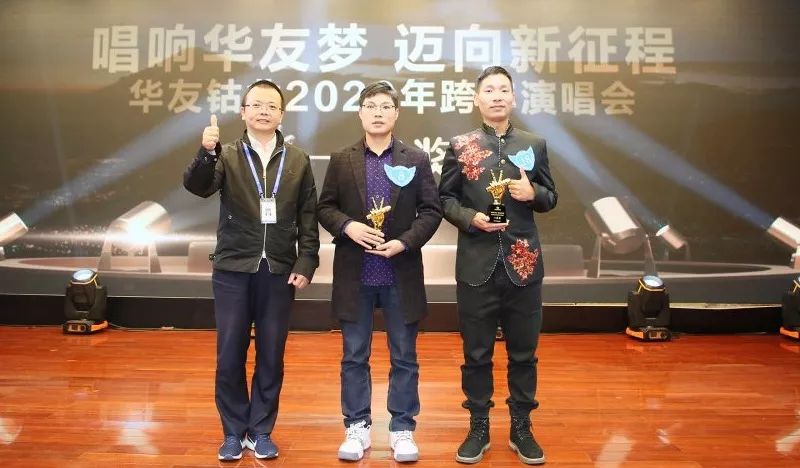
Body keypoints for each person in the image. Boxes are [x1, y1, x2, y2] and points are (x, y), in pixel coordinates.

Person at [183, 79, 320, 461]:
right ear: (243, 112)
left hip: (278, 270)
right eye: (256, 104)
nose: (264, 111)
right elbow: (198, 187)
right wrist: (205, 152)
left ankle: (260, 430)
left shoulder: (297, 160)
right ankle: (232, 431)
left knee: (271, 353)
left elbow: (308, 215)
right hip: (233, 268)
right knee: (230, 353)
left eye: (272, 106)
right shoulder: (226, 154)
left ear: (281, 114)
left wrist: (307, 260)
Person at [317, 81, 442, 463]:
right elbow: (325, 208)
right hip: (356, 274)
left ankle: (402, 429)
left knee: (404, 357)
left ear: (396, 113)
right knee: (354, 356)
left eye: (385, 106)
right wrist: (348, 227)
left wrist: (405, 242)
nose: (377, 112)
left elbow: (431, 211)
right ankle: (356, 427)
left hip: (399, 273)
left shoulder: (415, 158)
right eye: (370, 106)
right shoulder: (342, 159)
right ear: (360, 112)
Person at [438, 66, 558, 465]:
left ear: (513, 98)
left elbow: (551, 197)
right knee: (476, 354)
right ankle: (479, 426)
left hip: (524, 264)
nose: (496, 96)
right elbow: (445, 199)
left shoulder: (534, 143)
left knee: (524, 354)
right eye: (488, 90)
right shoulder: (461, 145)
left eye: (503, 90)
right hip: (477, 264)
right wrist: (470, 218)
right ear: (477, 99)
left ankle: (522, 427)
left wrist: (532, 192)